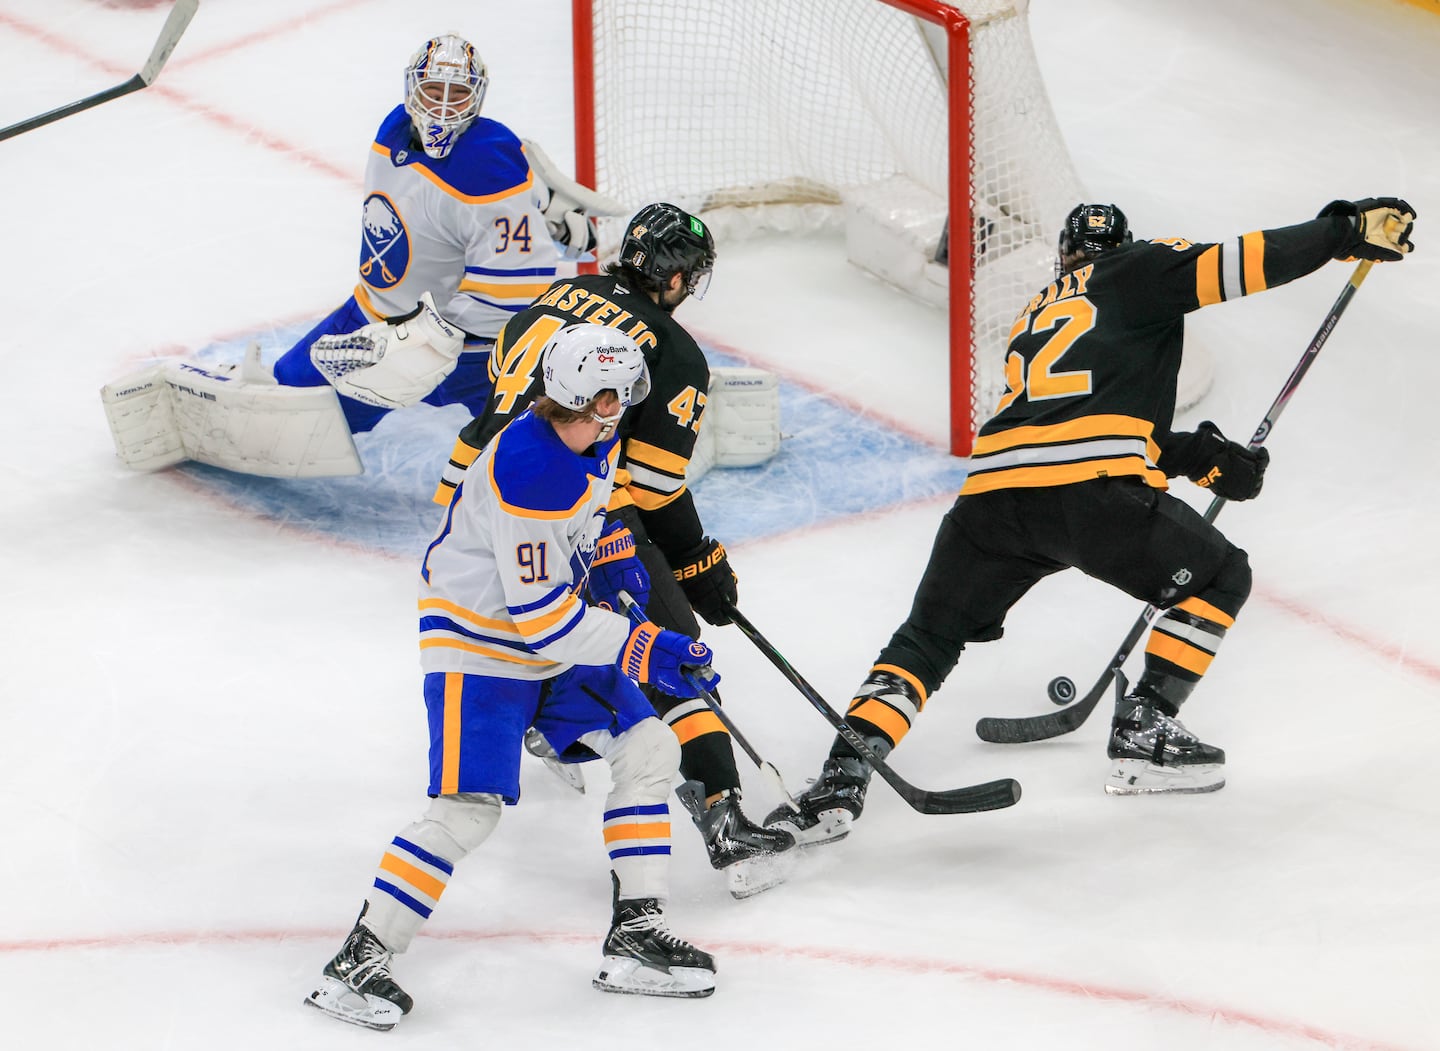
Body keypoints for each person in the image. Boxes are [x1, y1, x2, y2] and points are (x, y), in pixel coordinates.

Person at [766, 196, 1417, 844]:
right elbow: (1243, 261)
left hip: (991, 498)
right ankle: (1146, 727)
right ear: (1124, 244)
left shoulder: (1041, 307)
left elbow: (1093, 421)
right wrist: (1343, 232)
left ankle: (843, 773)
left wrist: (1206, 458)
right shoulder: (1140, 268)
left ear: (1064, 255)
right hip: (1091, 495)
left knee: (928, 636)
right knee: (1220, 575)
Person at [305, 324, 722, 1031]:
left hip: (539, 640)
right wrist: (644, 648)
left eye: (620, 399)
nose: (615, 413)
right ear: (570, 396)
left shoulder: (585, 436)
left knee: (649, 747)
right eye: (605, 401)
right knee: (468, 810)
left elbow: (594, 511)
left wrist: (616, 552)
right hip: (479, 646)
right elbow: (545, 621)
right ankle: (360, 954)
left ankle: (634, 933)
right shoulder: (530, 470)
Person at [432, 203, 797, 897]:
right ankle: (724, 814)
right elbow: (654, 489)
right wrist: (699, 561)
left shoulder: (549, 300)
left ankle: (552, 720)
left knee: (536, 631)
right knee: (671, 652)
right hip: (576, 513)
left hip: (472, 506)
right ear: (681, 275)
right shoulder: (671, 349)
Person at [101, 32, 610, 478]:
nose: (443, 106)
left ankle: (624, 457)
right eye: (434, 90)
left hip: (475, 354)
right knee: (289, 411)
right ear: (412, 88)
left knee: (550, 443)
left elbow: (516, 286)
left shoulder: (488, 165)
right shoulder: (394, 128)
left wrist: (432, 341)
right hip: (369, 316)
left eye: (459, 95)